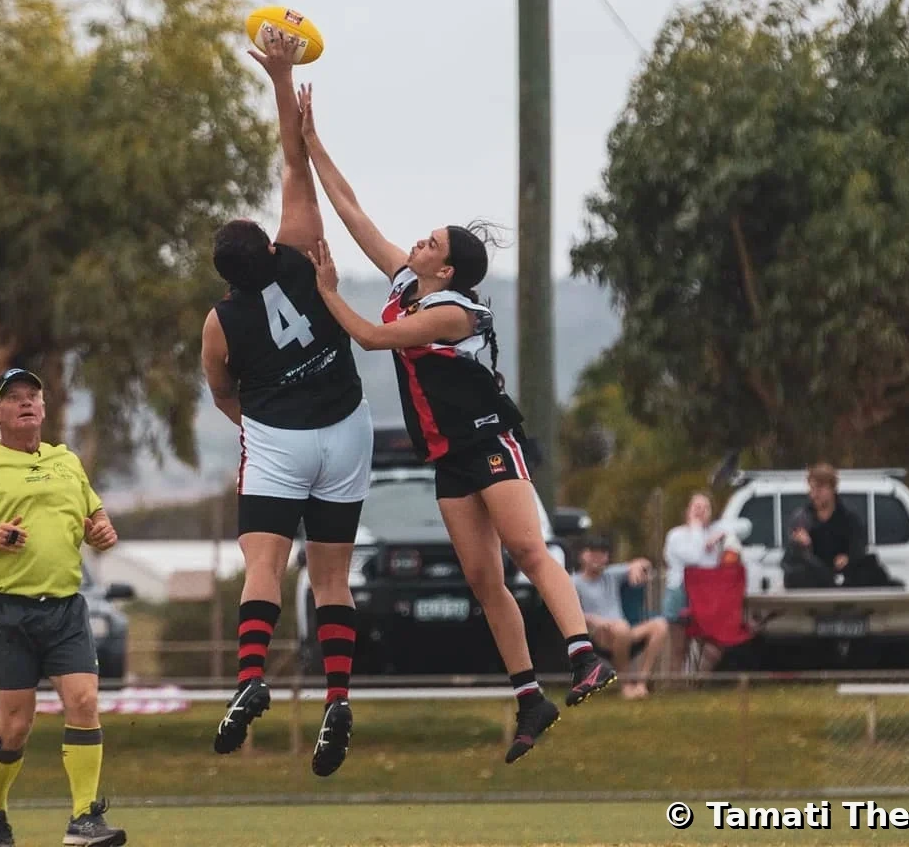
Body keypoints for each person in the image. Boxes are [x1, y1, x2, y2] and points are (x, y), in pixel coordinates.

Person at [297, 85, 615, 765]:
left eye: (431, 241)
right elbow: (352, 212)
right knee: (481, 579)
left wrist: (327, 294)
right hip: (446, 458)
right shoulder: (407, 283)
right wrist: (311, 140)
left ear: (446, 268)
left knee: (530, 552)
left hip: (488, 441)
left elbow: (372, 340)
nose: (416, 241)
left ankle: (586, 655)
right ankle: (530, 696)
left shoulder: (453, 313)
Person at [200, 30, 371, 777]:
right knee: (332, 577)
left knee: (263, 567)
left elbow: (221, 392)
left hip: (277, 440)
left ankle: (248, 679)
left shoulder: (219, 321)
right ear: (266, 247)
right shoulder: (301, 251)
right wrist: (281, 82)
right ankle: (337, 694)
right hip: (347, 431)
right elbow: (293, 162)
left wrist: (260, 425)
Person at [0, 367, 124, 847]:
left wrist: (101, 529)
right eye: (13, 397)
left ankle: (84, 819)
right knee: (16, 725)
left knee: (83, 701)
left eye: (33, 396)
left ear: (44, 406)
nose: (26, 403)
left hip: (64, 606)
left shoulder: (67, 461)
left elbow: (93, 514)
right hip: (4, 610)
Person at [572, 534, 667, 699]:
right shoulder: (573, 581)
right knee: (621, 628)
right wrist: (595, 620)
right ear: (582, 555)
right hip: (598, 632)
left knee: (660, 624)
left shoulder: (611, 574)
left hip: (623, 629)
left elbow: (645, 562)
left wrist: (636, 567)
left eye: (602, 553)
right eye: (593, 553)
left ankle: (641, 683)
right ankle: (626, 685)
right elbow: (572, 613)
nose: (597, 557)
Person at [662, 492, 747, 675]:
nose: (700, 511)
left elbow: (745, 526)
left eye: (705, 508)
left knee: (714, 644)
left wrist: (723, 533)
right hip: (680, 593)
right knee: (678, 648)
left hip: (708, 596)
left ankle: (697, 683)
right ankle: (673, 688)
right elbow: (694, 557)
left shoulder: (714, 532)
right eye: (696, 507)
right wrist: (696, 529)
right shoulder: (676, 535)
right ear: (688, 511)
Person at [782, 464, 897, 589]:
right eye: (811, 489)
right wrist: (801, 544)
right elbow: (791, 558)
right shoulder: (801, 519)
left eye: (819, 489)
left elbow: (858, 546)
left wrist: (848, 558)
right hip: (814, 580)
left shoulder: (849, 518)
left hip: (846, 579)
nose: (814, 494)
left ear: (833, 488)